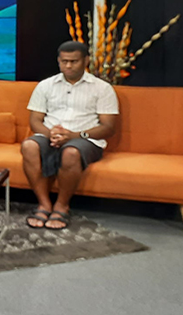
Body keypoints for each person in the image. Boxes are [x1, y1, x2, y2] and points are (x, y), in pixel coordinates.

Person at [21, 41, 119, 230]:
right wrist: (51, 134)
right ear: (58, 61)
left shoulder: (102, 88)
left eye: (74, 61)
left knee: (71, 152)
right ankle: (44, 204)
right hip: (50, 135)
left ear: (86, 61)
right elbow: (35, 121)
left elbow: (108, 127)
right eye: (64, 61)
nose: (68, 66)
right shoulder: (45, 85)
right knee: (29, 146)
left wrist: (75, 135)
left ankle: (62, 206)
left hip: (85, 138)